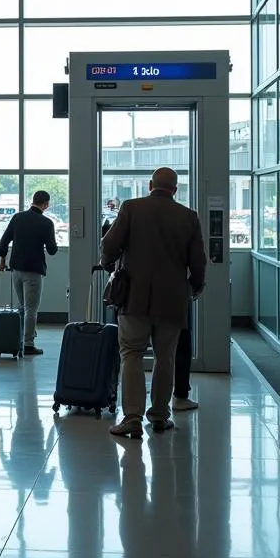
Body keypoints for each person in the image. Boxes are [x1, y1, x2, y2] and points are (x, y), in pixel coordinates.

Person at [100, 166, 206, 438]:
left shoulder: (131, 208)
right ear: (175, 190)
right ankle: (160, 416)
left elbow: (109, 245)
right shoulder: (188, 217)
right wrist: (194, 287)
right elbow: (198, 261)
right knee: (165, 357)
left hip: (134, 296)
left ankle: (132, 418)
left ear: (149, 185)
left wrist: (108, 264)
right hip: (172, 299)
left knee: (132, 354)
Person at [0, 190, 58, 355]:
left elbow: (4, 240)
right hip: (33, 271)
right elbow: (52, 250)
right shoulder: (46, 223)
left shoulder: (17, 218)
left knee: (22, 307)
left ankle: (20, 339)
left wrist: (2, 262)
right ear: (46, 204)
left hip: (15, 269)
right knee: (31, 309)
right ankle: (28, 344)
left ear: (33, 201)